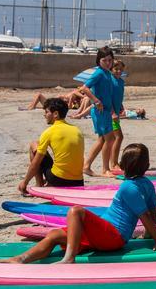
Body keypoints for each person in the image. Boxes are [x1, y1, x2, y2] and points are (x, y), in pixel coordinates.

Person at [0, 144, 156, 264]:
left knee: (76, 212)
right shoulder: (147, 184)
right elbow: (154, 212)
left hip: (112, 237)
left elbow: (145, 216)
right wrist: (147, 236)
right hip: (105, 234)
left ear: (122, 166)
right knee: (55, 235)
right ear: (147, 165)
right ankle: (21, 259)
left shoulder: (128, 187)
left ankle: (69, 258)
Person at [18, 97, 84, 194]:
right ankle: (49, 183)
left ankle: (39, 185)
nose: (44, 115)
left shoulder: (49, 132)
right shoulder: (77, 130)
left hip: (59, 180)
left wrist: (25, 182)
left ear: (55, 114)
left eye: (46, 112)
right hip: (78, 182)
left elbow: (36, 163)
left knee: (34, 144)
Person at [79, 46, 118, 176]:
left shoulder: (107, 73)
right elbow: (84, 88)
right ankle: (105, 169)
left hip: (106, 111)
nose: (108, 63)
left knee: (102, 139)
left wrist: (113, 111)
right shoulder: (99, 73)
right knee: (110, 139)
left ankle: (86, 166)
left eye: (110, 60)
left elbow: (109, 94)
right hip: (100, 111)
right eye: (105, 60)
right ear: (99, 61)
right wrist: (96, 101)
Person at [105, 59, 128, 175]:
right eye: (116, 69)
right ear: (111, 69)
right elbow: (108, 99)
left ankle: (113, 162)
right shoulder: (110, 81)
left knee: (112, 139)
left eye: (120, 69)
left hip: (115, 113)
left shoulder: (121, 82)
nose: (118, 71)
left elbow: (118, 97)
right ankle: (113, 164)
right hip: (109, 114)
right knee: (118, 137)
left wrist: (121, 107)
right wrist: (113, 113)